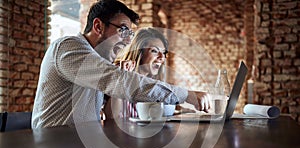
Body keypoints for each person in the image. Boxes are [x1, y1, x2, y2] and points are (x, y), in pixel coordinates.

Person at [32, 0, 210, 129]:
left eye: (130, 34)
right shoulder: (69, 47)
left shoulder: (98, 60)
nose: (127, 42)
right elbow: (120, 82)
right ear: (98, 26)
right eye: (123, 30)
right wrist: (186, 95)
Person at [103, 27, 169, 119]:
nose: (161, 57)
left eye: (163, 52)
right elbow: (112, 117)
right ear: (139, 52)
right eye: (154, 51)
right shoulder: (119, 71)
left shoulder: (151, 81)